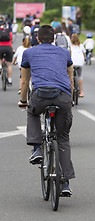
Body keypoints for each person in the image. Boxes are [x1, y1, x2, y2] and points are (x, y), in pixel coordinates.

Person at [18, 25, 75, 195]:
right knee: (63, 138)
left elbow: (23, 81)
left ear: (37, 39)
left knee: (32, 111)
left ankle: (36, 148)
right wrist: (69, 100)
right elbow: (70, 78)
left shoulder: (28, 53)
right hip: (63, 97)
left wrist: (23, 100)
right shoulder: (65, 53)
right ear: (54, 39)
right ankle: (65, 183)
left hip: (41, 96)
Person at [0, 18, 13, 86]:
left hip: (0, 47)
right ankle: (10, 80)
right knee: (9, 65)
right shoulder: (8, 31)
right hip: (8, 48)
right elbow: (11, 39)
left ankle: (0, 67)